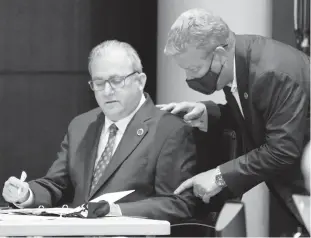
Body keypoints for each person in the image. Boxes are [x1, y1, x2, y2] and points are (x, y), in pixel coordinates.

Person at [2, 40, 198, 223]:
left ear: (140, 81)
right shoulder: (81, 125)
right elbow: (57, 185)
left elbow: (178, 203)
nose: (107, 91)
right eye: (99, 82)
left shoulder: (169, 129)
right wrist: (27, 194)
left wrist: (115, 211)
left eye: (116, 81)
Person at [157, 8, 310, 226]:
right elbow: (258, 116)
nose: (188, 78)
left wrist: (218, 176)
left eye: (193, 68)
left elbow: (282, 150)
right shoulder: (236, 62)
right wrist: (207, 112)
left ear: (219, 55)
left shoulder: (272, 73)